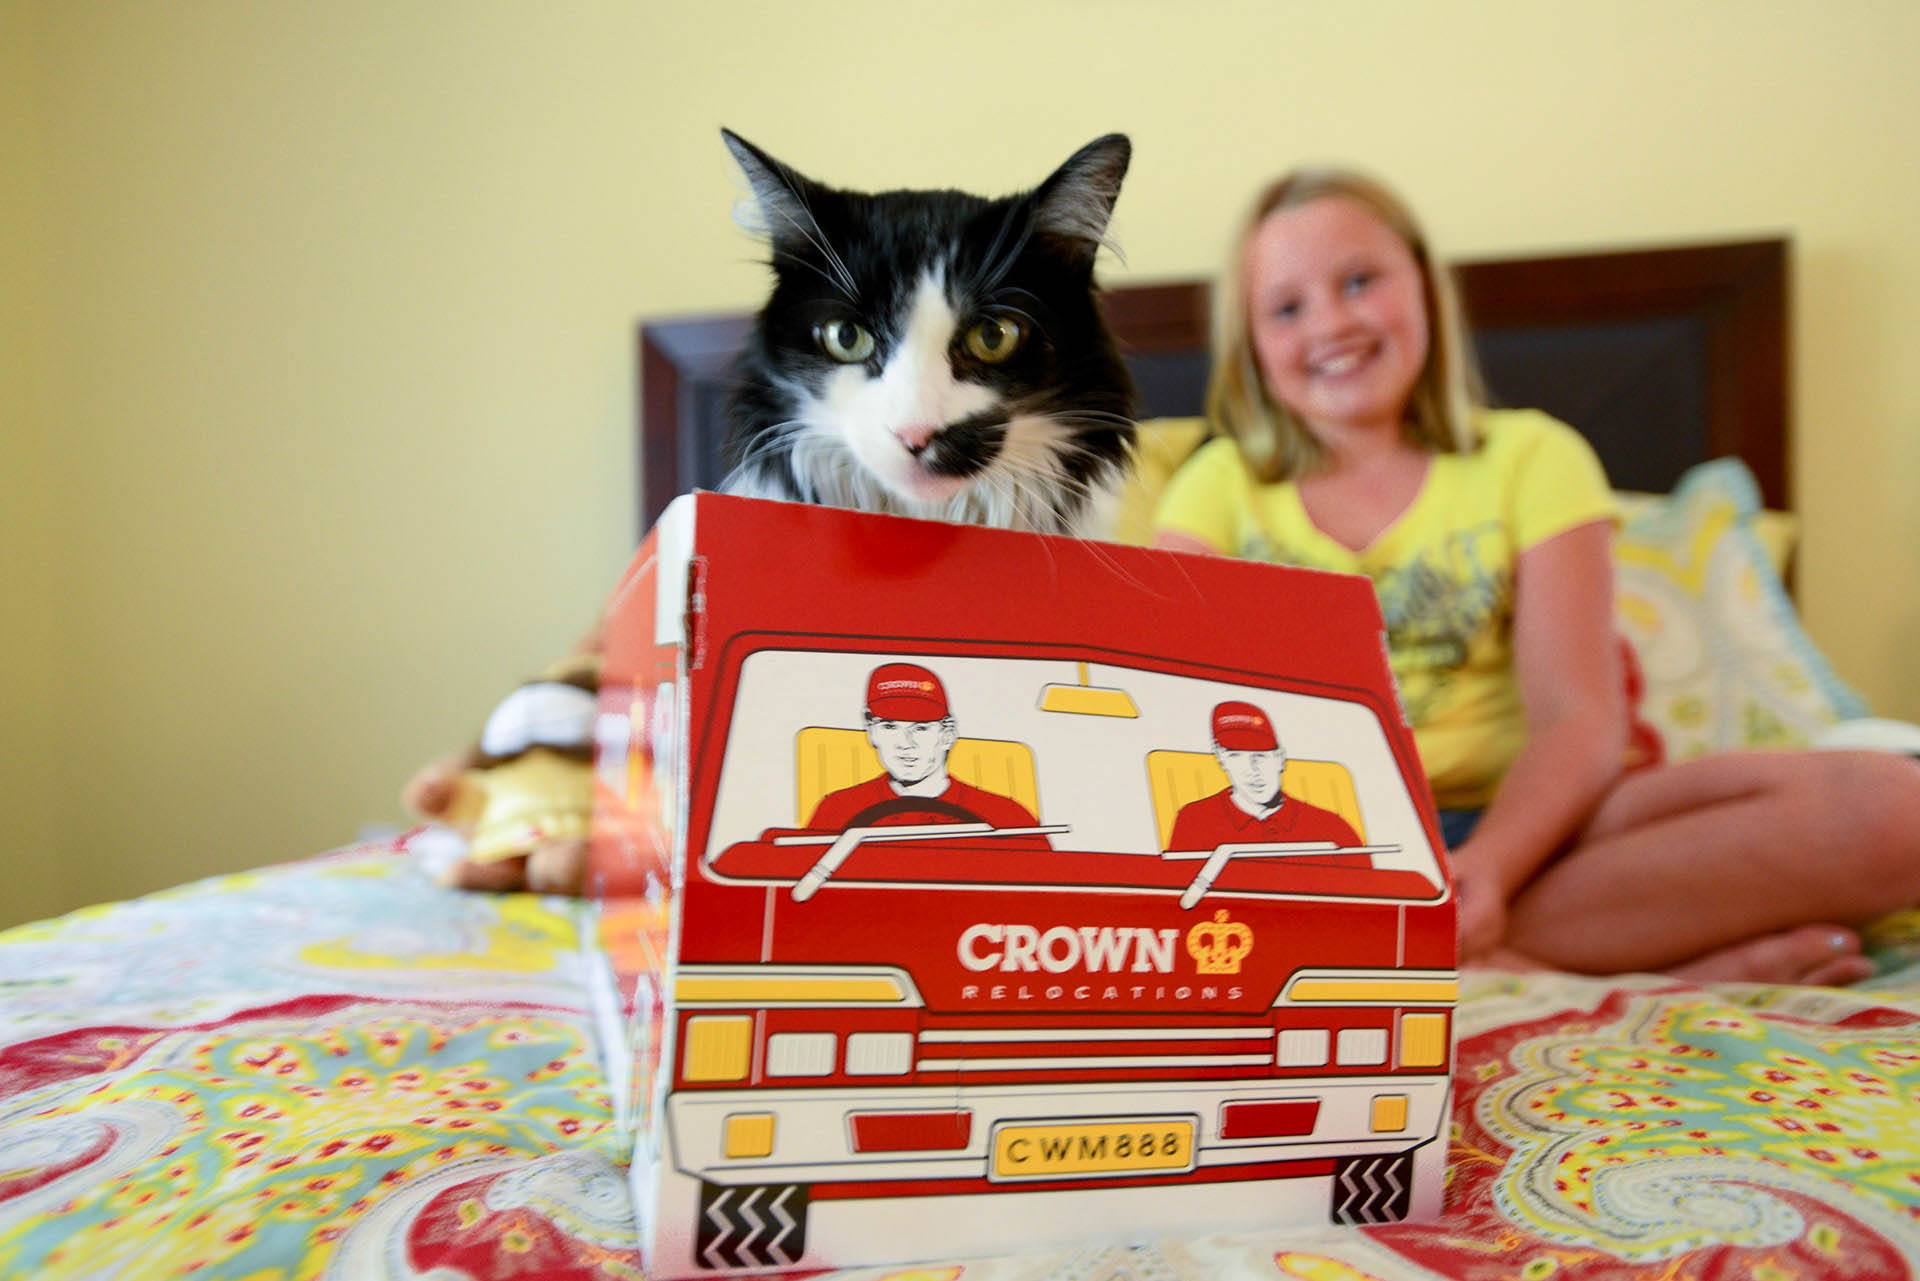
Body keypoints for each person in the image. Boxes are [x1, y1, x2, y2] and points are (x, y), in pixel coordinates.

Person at [1151, 165, 1920, 985]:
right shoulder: (1216, 487)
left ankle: (1461, 948)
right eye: (1287, 306)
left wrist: (1487, 870)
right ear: (1251, 342)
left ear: (1423, 286)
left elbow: (1577, 719)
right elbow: (1172, 718)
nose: (1331, 322)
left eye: (1359, 280)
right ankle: (1610, 959)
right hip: (1326, 848)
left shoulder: (1534, 456)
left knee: (1894, 808)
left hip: (1535, 834)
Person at [804, 662, 1049, 843]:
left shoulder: (1006, 817)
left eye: (920, 728)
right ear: (871, 731)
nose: (904, 743)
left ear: (947, 734)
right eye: (889, 726)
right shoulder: (838, 810)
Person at [1166, 701, 1368, 865]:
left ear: (1280, 758)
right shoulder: (1194, 821)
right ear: (1220, 758)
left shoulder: (1332, 828)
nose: (1252, 770)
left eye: (1261, 755)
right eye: (1235, 755)